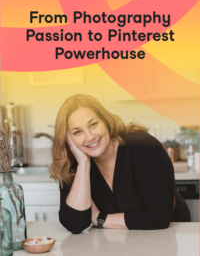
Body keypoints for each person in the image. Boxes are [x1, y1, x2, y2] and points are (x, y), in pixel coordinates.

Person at [50, 94, 191, 234]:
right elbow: (75, 224)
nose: (89, 137)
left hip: (168, 238)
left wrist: (100, 219)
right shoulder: (75, 164)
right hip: (120, 242)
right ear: (68, 139)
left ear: (105, 120)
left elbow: (159, 218)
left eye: (93, 124)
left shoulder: (143, 147)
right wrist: (84, 165)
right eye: (77, 132)